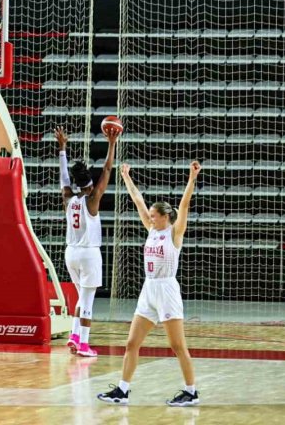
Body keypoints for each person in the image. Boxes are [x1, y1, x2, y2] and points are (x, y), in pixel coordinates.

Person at [98, 162, 201, 407]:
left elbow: (184, 205)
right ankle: (122, 390)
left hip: (166, 290)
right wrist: (126, 177)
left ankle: (191, 391)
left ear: (166, 217)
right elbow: (137, 201)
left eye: (155, 216)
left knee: (177, 346)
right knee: (132, 343)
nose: (150, 218)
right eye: (151, 216)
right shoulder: (152, 230)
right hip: (148, 289)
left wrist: (191, 178)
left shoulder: (174, 233)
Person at [55, 125, 118, 358]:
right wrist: (112, 144)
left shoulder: (68, 198)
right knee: (88, 300)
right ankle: (83, 344)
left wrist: (62, 149)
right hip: (89, 253)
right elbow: (108, 169)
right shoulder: (92, 200)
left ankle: (74, 336)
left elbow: (63, 178)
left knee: (81, 296)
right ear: (89, 183)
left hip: (70, 253)